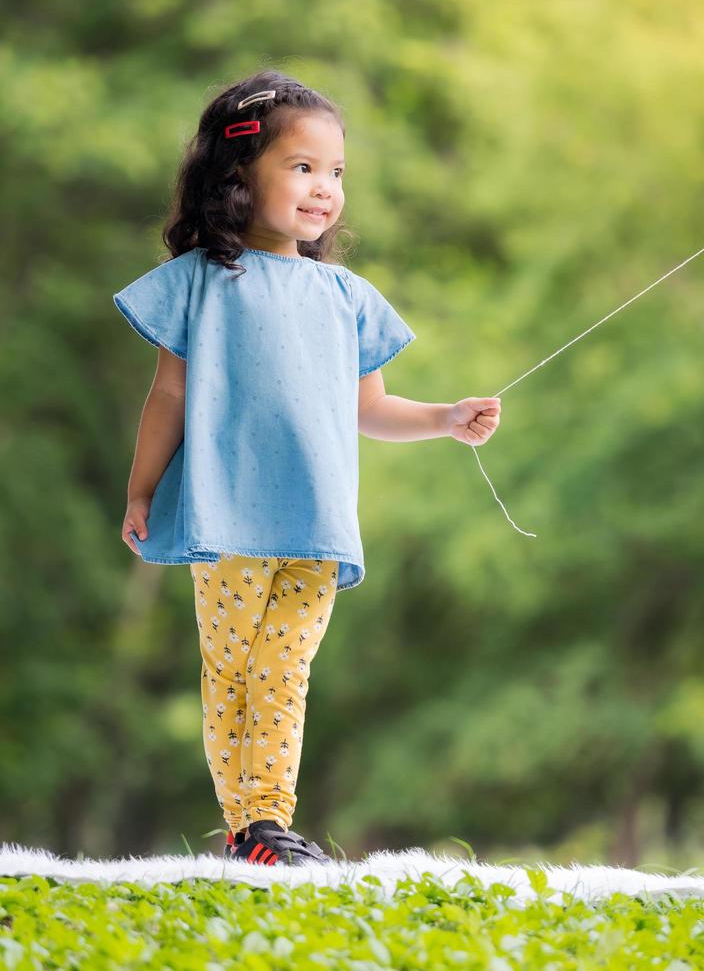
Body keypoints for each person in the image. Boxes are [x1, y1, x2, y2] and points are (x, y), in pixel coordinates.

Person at [114, 69, 502, 866]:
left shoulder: (346, 297)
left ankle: (266, 823)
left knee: (283, 671)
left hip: (316, 523)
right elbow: (169, 395)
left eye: (335, 173)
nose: (324, 189)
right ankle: (252, 828)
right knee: (234, 671)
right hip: (224, 518)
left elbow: (369, 410)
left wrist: (444, 420)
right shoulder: (197, 284)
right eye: (302, 168)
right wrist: (142, 489)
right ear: (237, 177)